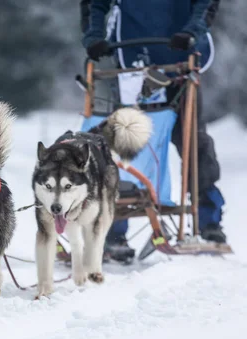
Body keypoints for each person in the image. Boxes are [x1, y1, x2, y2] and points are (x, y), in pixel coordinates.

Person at [80, 0, 226, 262]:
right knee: (125, 145)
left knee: (195, 144)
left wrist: (193, 31)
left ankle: (208, 223)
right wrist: (93, 36)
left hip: (182, 61)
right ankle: (114, 232)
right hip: (131, 64)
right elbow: (94, 5)